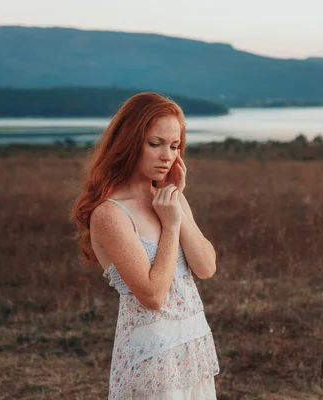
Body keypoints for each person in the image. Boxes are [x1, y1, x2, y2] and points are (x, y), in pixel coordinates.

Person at [71, 92, 220, 399]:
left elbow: (206, 268)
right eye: (155, 143)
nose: (167, 155)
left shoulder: (170, 199)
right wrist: (171, 225)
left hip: (191, 347)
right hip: (150, 359)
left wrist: (176, 206)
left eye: (174, 146)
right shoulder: (110, 214)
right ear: (129, 141)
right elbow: (152, 296)